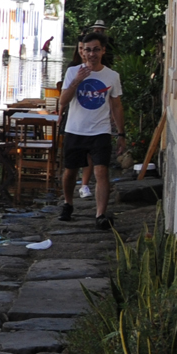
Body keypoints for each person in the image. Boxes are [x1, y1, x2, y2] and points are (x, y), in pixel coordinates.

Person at [56, 29, 123, 227]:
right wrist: (77, 80)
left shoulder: (112, 76)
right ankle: (68, 204)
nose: (91, 54)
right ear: (82, 52)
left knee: (101, 171)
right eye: (87, 50)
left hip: (100, 131)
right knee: (70, 171)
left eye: (96, 50)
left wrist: (121, 133)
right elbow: (63, 101)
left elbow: (117, 105)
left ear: (103, 51)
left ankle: (100, 215)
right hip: (75, 129)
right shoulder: (71, 72)